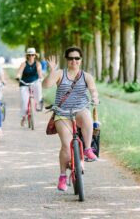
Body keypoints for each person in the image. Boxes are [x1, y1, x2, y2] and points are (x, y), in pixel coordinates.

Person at [42, 46, 99, 192]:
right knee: (66, 145)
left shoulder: (86, 76)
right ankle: (62, 176)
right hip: (62, 112)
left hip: (79, 109)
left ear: (81, 60)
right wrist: (52, 71)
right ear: (66, 60)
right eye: (71, 58)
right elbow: (46, 85)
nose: (74, 61)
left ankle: (87, 148)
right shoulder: (60, 73)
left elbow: (93, 90)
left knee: (86, 116)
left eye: (77, 58)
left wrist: (95, 98)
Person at [15, 47, 44, 126]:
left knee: (38, 87)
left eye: (32, 55)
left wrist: (41, 77)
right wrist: (18, 76)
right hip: (24, 83)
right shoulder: (24, 64)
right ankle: (23, 117)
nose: (31, 56)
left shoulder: (37, 64)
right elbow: (20, 71)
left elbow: (39, 71)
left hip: (35, 82)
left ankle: (39, 102)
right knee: (24, 102)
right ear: (27, 56)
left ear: (35, 55)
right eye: (29, 55)